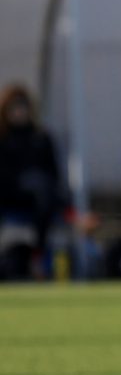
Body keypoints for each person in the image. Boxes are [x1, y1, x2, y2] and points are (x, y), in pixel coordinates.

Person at [0, 84, 63, 279]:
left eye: (22, 106)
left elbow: (53, 173)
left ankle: (38, 255)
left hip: (38, 199)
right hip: (7, 194)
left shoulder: (41, 138)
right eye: (13, 107)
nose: (19, 111)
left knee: (43, 188)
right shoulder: (3, 139)